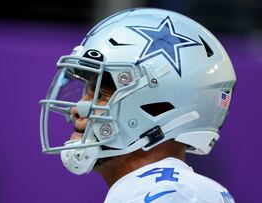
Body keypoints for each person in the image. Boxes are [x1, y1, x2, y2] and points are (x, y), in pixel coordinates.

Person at [39, 8, 236, 203]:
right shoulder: (162, 190)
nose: (76, 110)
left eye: (101, 95)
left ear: (158, 108)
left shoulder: (170, 195)